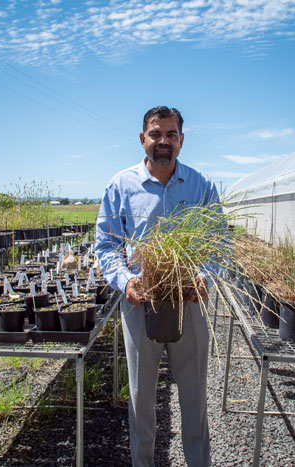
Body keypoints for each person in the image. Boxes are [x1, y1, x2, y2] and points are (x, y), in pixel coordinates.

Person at [95, 106, 220, 467]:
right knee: (141, 396)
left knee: (194, 395)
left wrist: (205, 275)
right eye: (156, 134)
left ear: (181, 140)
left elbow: (219, 244)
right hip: (140, 302)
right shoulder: (121, 185)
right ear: (142, 139)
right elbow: (105, 245)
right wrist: (126, 281)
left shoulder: (201, 185)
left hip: (190, 302)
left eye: (170, 134)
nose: (163, 141)